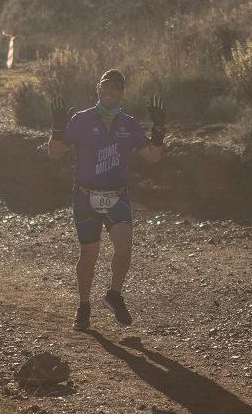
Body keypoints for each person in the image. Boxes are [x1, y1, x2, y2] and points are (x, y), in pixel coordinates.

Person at [47, 69, 166, 330]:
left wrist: (159, 129)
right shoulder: (80, 120)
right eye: (104, 86)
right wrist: (57, 128)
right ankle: (84, 306)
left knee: (124, 247)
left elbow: (153, 156)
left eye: (115, 87)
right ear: (97, 88)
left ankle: (113, 296)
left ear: (123, 91)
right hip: (85, 196)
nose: (108, 91)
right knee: (89, 254)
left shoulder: (130, 124)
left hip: (117, 196)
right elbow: (55, 153)